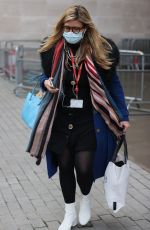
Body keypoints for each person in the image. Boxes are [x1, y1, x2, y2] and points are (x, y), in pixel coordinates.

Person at [26, 5, 130, 230]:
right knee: (65, 166)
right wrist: (45, 82)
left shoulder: (101, 49)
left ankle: (86, 198)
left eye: (76, 28)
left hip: (88, 119)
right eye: (67, 27)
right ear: (61, 26)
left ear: (86, 28)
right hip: (60, 118)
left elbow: (113, 83)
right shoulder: (51, 48)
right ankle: (69, 212)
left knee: (84, 168)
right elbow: (44, 76)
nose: (71, 31)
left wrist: (123, 114)